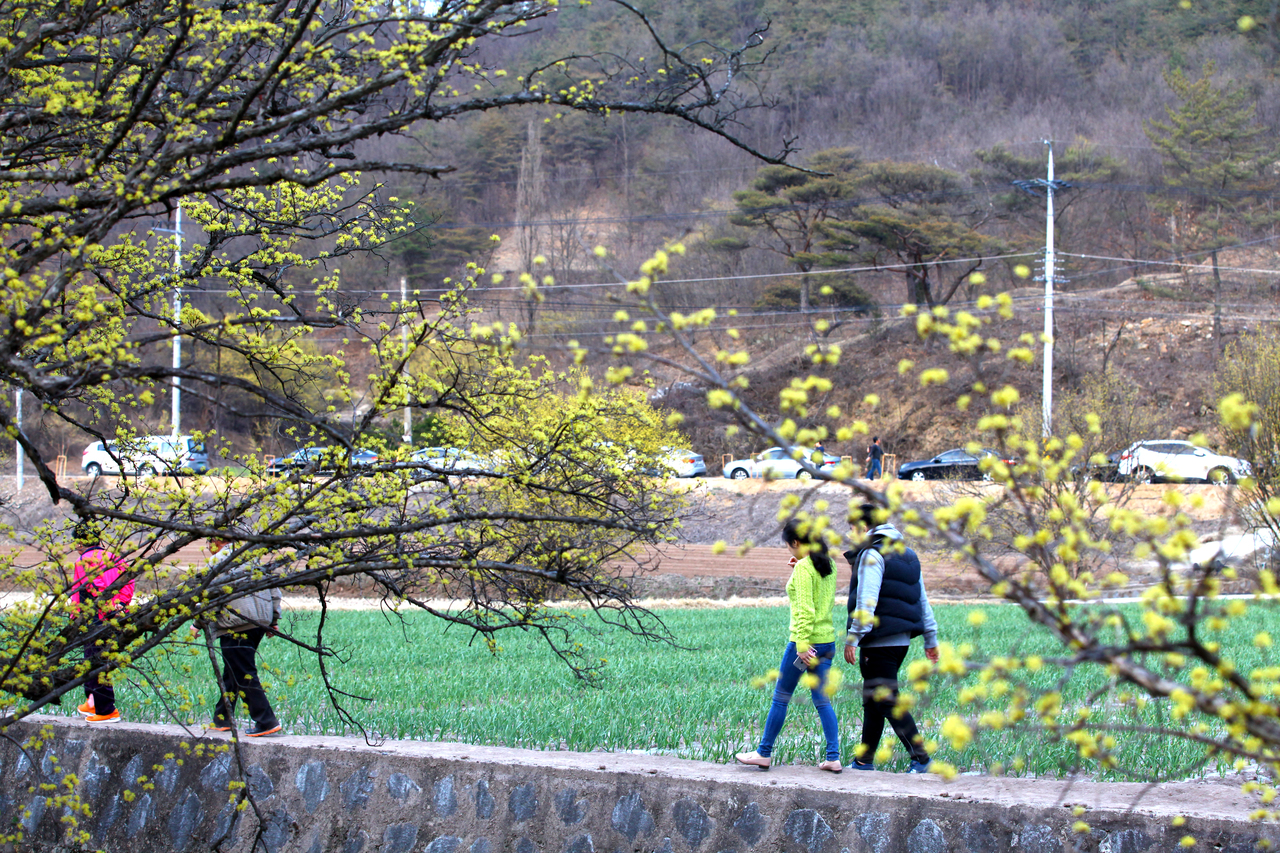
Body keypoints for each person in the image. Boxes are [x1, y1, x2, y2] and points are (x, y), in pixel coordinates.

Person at [736, 519, 842, 773]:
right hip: (827, 641)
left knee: (781, 698)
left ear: (795, 542)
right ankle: (833, 757)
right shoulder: (828, 564)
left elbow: (805, 609)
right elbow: (816, 595)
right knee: (822, 701)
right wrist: (799, 569)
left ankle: (763, 753)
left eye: (788, 546)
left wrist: (803, 645)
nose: (789, 551)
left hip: (805, 643)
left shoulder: (805, 568)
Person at [844, 503, 939, 772]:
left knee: (885, 699)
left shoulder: (872, 554)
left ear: (864, 527)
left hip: (878, 641)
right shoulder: (908, 554)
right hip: (901, 643)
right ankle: (864, 761)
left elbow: (867, 600)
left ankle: (921, 758)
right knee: (873, 700)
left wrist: (853, 637)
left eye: (852, 529)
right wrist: (930, 638)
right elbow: (922, 600)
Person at [197, 538, 284, 737]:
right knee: (233, 670)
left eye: (209, 542)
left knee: (243, 672)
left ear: (216, 541)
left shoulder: (219, 561)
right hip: (260, 622)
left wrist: (198, 622)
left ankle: (266, 721)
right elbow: (274, 589)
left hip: (236, 623)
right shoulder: (252, 557)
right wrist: (273, 620)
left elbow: (211, 595)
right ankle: (222, 718)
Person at [70, 521, 135, 724]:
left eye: (76, 542)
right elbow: (129, 581)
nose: (75, 546)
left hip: (95, 619)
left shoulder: (83, 560)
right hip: (113, 617)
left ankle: (107, 711)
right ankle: (92, 700)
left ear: (82, 542)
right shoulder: (115, 558)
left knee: (96, 662)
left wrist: (101, 611)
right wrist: (119, 605)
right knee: (94, 660)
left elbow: (92, 587)